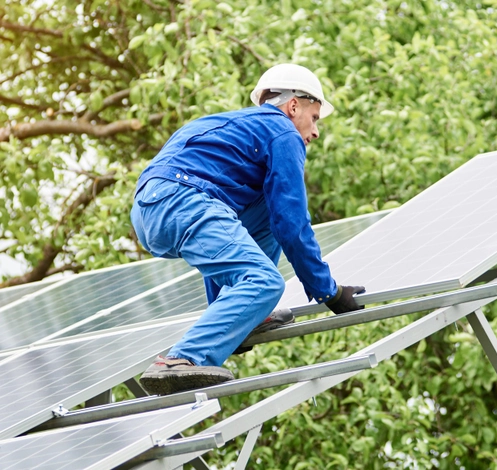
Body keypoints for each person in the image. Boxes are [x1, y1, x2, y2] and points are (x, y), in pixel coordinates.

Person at [131, 63, 366, 396]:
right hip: (183, 199)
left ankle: (245, 315)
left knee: (266, 212)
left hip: (152, 209)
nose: (315, 133)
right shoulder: (281, 131)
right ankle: (181, 360)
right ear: (293, 105)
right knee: (265, 282)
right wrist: (329, 290)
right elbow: (293, 223)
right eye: (314, 118)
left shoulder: (239, 127)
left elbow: (250, 226)